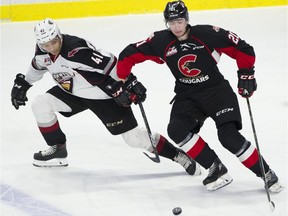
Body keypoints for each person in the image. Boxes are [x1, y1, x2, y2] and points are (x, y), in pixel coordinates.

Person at [113, 0, 284, 192]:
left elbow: (242, 47)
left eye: (179, 21)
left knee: (228, 136)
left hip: (217, 92)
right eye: (171, 22)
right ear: (166, 22)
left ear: (186, 19)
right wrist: (126, 79)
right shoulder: (161, 41)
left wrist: (246, 73)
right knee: (176, 129)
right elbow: (129, 54)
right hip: (187, 96)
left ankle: (266, 173)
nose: (176, 26)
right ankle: (215, 168)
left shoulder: (207, 34)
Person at [10, 18, 201, 177]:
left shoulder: (76, 50)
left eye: (54, 41)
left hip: (102, 95)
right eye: (45, 44)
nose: (51, 47)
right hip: (73, 93)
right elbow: (37, 66)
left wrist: (129, 82)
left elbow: (110, 63)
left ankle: (178, 156)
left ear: (59, 35)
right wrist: (24, 83)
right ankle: (58, 149)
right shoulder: (42, 51)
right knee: (40, 103)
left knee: (134, 139)